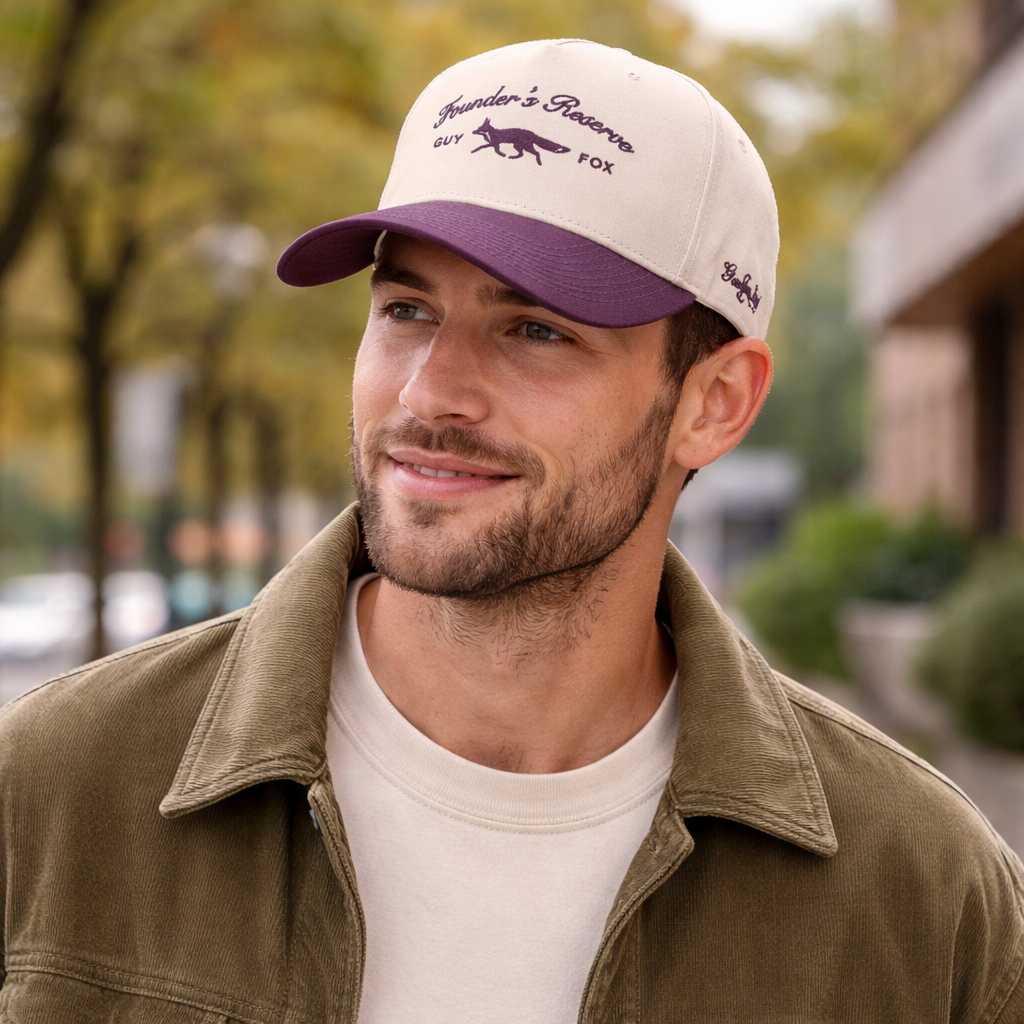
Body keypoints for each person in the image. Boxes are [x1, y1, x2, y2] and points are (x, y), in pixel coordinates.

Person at [1, 38, 1022, 1024]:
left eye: (535, 330)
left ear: (713, 402)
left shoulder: (927, 900)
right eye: (405, 308)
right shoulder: (52, 790)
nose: (430, 390)